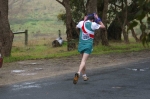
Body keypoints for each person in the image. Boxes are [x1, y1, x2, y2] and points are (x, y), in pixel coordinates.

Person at [73, 13, 105, 84]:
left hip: (81, 45)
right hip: (88, 45)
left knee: (82, 61)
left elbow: (76, 27)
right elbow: (103, 26)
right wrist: (98, 19)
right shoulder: (93, 24)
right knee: (83, 61)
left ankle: (84, 76)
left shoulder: (81, 23)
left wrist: (84, 20)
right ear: (92, 20)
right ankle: (78, 73)